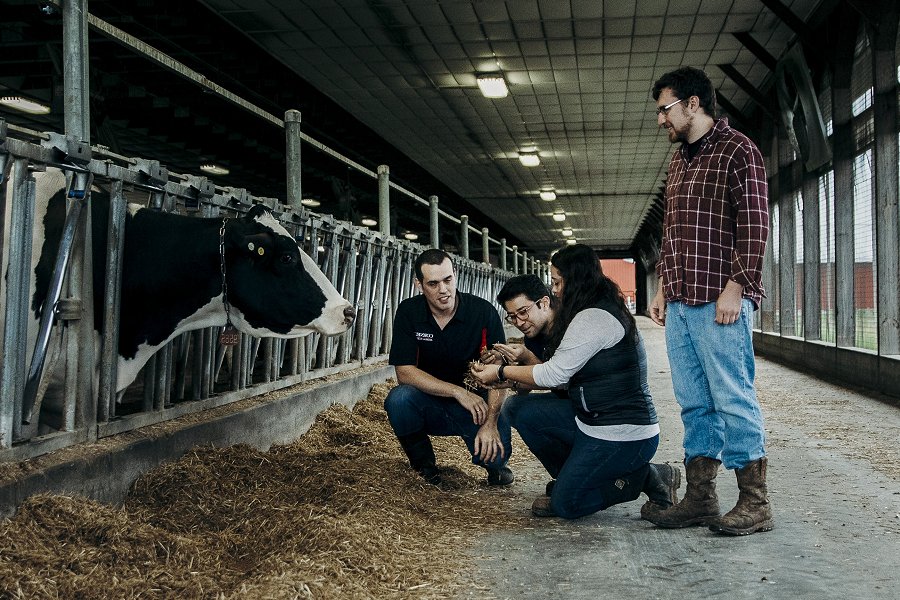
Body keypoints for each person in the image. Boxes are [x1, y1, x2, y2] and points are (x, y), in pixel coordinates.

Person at [647, 66, 773, 536]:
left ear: (693, 103)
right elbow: (672, 231)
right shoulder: (679, 160)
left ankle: (755, 502)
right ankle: (701, 498)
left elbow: (755, 224)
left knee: (732, 397)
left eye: (666, 109)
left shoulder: (739, 150)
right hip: (682, 299)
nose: (661, 119)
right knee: (694, 402)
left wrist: (736, 288)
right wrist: (663, 286)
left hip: (720, 299)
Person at [471, 244, 680, 520]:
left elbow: (555, 375)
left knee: (567, 505)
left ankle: (647, 477)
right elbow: (557, 380)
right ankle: (575, 480)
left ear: (576, 279)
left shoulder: (594, 317)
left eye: (558, 282)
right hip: (591, 418)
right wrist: (510, 377)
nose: (555, 290)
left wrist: (501, 373)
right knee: (519, 409)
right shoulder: (588, 310)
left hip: (622, 431)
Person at [385, 248, 514, 486]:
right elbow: (404, 372)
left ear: (456, 275)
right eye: (433, 284)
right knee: (399, 399)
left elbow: (499, 374)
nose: (443, 290)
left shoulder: (482, 312)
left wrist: (491, 422)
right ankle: (424, 468)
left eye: (448, 279)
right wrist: (457, 392)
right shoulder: (409, 312)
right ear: (419, 285)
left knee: (498, 456)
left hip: (477, 407)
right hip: (429, 402)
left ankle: (496, 468)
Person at [481, 274, 555, 371]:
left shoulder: (569, 331)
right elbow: (533, 375)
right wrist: (502, 362)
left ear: (544, 303)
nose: (519, 323)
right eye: (512, 316)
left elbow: (559, 378)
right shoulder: (532, 335)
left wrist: (528, 357)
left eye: (523, 312)